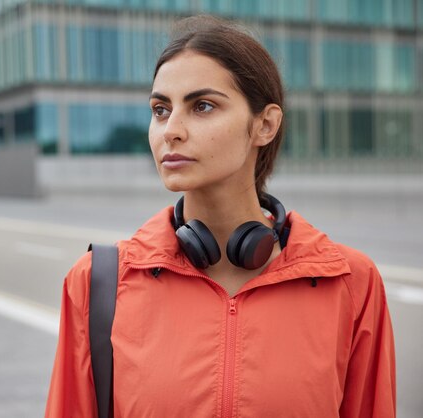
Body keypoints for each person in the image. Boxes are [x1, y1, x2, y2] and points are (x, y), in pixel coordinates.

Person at [45, 15, 395, 418]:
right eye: (160, 109)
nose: (170, 130)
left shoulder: (351, 284)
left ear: (264, 125)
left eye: (203, 106)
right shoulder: (97, 283)